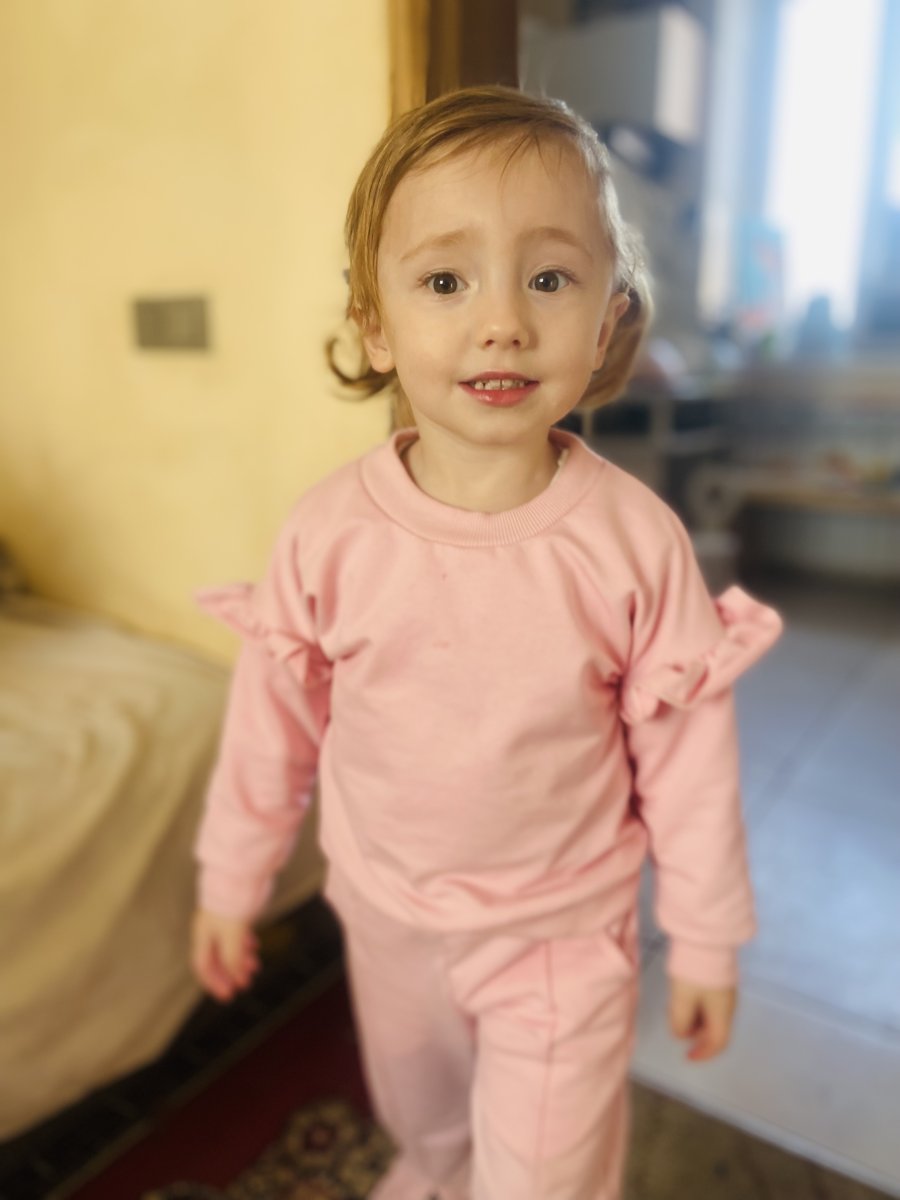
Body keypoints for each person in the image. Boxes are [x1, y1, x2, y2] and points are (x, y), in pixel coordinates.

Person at [190, 86, 784, 1200]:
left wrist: (705, 939)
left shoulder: (633, 543)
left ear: (607, 319)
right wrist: (233, 875)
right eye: (446, 282)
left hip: (562, 936)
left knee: (544, 1176)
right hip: (388, 919)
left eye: (549, 278)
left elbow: (690, 764)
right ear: (375, 323)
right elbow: (271, 729)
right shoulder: (328, 535)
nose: (502, 320)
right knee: (426, 1125)